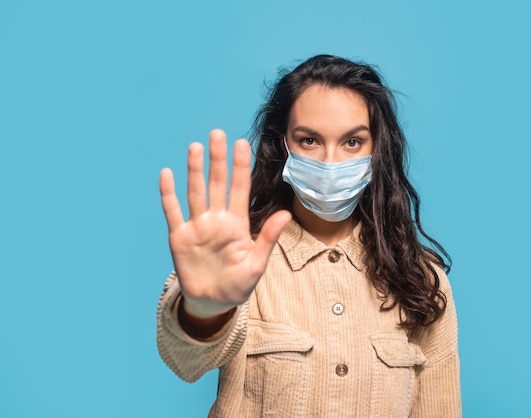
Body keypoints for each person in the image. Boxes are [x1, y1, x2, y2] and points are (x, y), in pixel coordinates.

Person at [156, 54, 461, 417]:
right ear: (283, 144)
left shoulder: (421, 280)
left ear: (377, 149)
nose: (330, 162)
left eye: (352, 142)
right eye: (309, 140)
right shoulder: (239, 259)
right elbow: (184, 362)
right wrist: (205, 311)